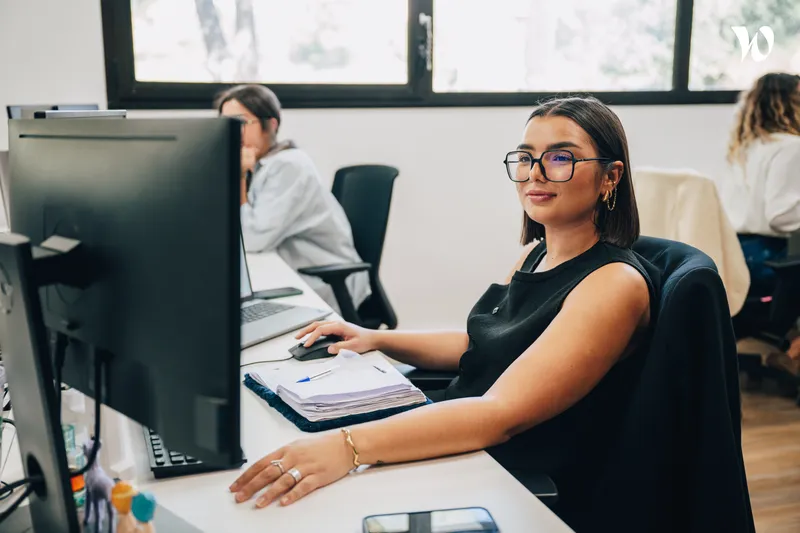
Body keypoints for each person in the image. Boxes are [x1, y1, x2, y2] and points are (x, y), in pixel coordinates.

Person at [228, 96, 664, 528]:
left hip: (496, 464)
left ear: (611, 176)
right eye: (526, 157)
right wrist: (375, 337)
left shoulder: (613, 285)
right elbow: (485, 343)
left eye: (560, 157)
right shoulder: (537, 255)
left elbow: (500, 413)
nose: (534, 173)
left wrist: (348, 447)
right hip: (461, 431)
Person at [215, 84, 370, 312]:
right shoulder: (262, 167)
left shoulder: (289, 166)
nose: (232, 133)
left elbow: (252, 239)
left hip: (325, 282)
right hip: (292, 271)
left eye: (240, 123)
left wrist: (238, 177)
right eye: (225, 124)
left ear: (271, 124)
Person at [719, 72, 800, 363]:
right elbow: (780, 216)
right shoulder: (791, 146)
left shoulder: (745, 147)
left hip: (735, 254)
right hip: (764, 260)